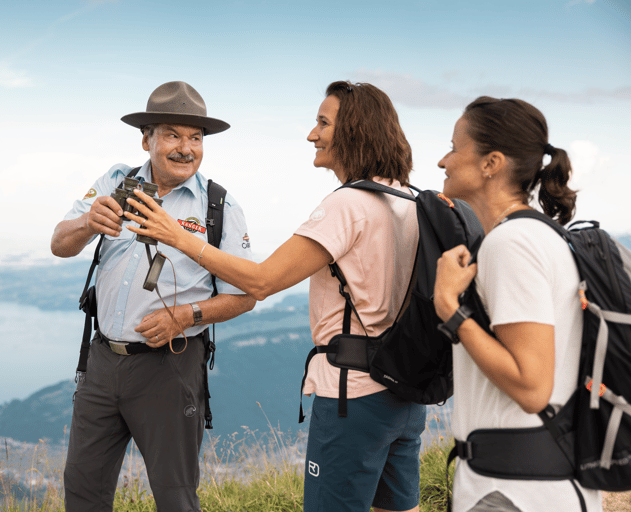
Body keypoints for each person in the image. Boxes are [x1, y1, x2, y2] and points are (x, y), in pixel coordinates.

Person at [124, 81, 425, 512]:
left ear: (354, 131)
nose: (312, 133)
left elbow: (262, 282)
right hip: (405, 390)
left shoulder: (348, 205)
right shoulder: (408, 200)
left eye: (323, 123)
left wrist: (180, 238)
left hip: (353, 394)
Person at [50, 81, 256, 512]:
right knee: (82, 488)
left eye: (195, 137)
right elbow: (60, 244)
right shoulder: (114, 180)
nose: (186, 148)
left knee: (175, 496)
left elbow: (244, 296)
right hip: (102, 360)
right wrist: (89, 222)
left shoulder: (219, 207)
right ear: (146, 139)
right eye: (173, 135)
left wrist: (187, 315)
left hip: (171, 366)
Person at [432, 97, 602, 511]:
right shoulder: (535, 235)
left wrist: (449, 308)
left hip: (514, 492)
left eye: (454, 147)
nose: (442, 161)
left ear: (491, 163)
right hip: (528, 485)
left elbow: (531, 387)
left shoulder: (511, 244)